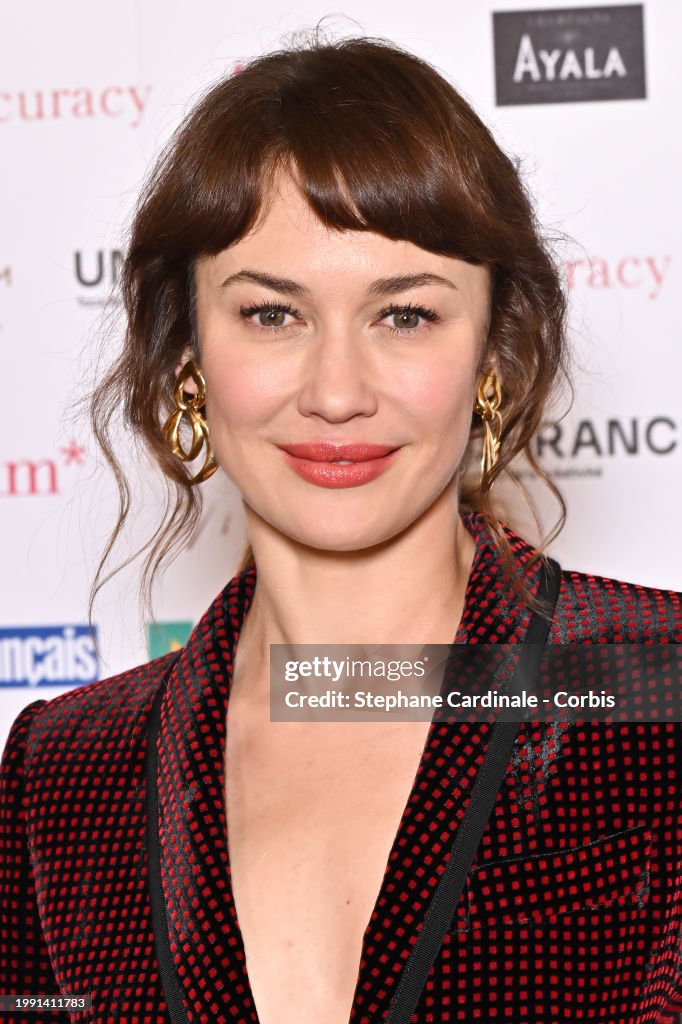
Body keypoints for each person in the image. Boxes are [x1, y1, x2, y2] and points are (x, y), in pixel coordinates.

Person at [1, 33, 680, 1024]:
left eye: (404, 316)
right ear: (187, 356)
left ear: (493, 355)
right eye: (271, 315)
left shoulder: (658, 693)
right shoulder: (62, 777)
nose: (335, 391)